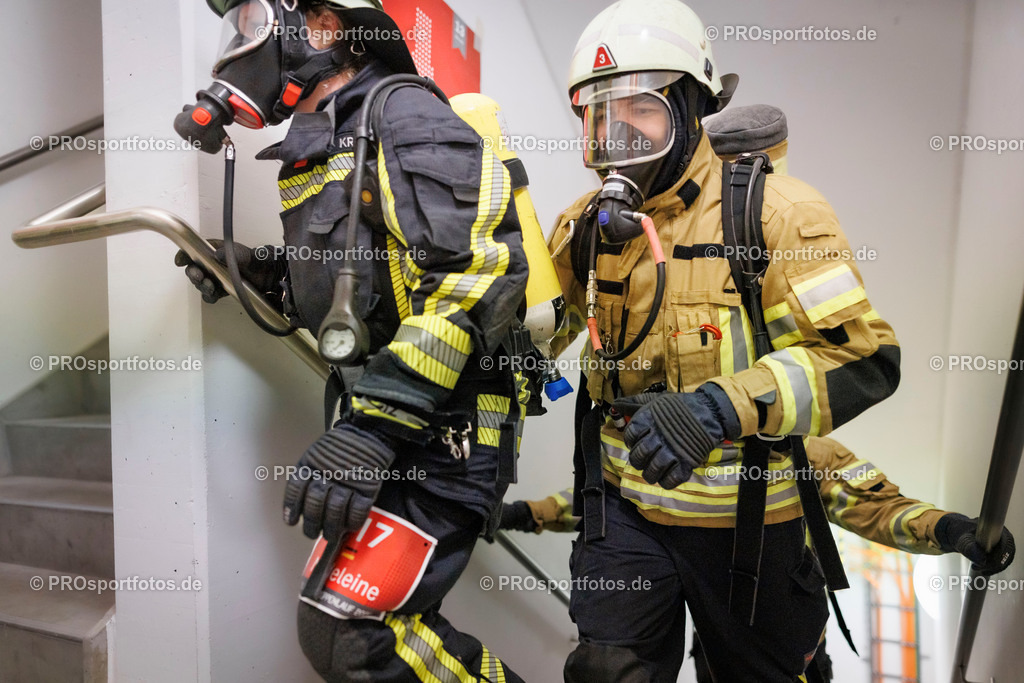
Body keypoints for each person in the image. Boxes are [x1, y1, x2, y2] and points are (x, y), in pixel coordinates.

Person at [548, 0, 902, 680]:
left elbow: (863, 358)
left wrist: (719, 407)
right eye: (598, 116)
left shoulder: (778, 214)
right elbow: (537, 335)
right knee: (604, 670)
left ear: (691, 109)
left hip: (748, 530)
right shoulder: (585, 227)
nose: (616, 136)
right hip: (626, 512)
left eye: (640, 110)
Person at [175, 1, 529, 680]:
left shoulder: (405, 118)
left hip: (443, 429)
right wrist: (265, 275)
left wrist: (373, 425)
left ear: (328, 26)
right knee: (346, 628)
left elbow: (479, 272)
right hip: (389, 425)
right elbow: (362, 293)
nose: (241, 45)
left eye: (252, 22)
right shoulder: (327, 142)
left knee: (351, 633)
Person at [499, 436, 1018, 681]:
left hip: (787, 651)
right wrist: (525, 512)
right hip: (716, 645)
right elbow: (606, 505)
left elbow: (877, 505)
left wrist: (951, 530)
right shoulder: (668, 450)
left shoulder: (803, 454)